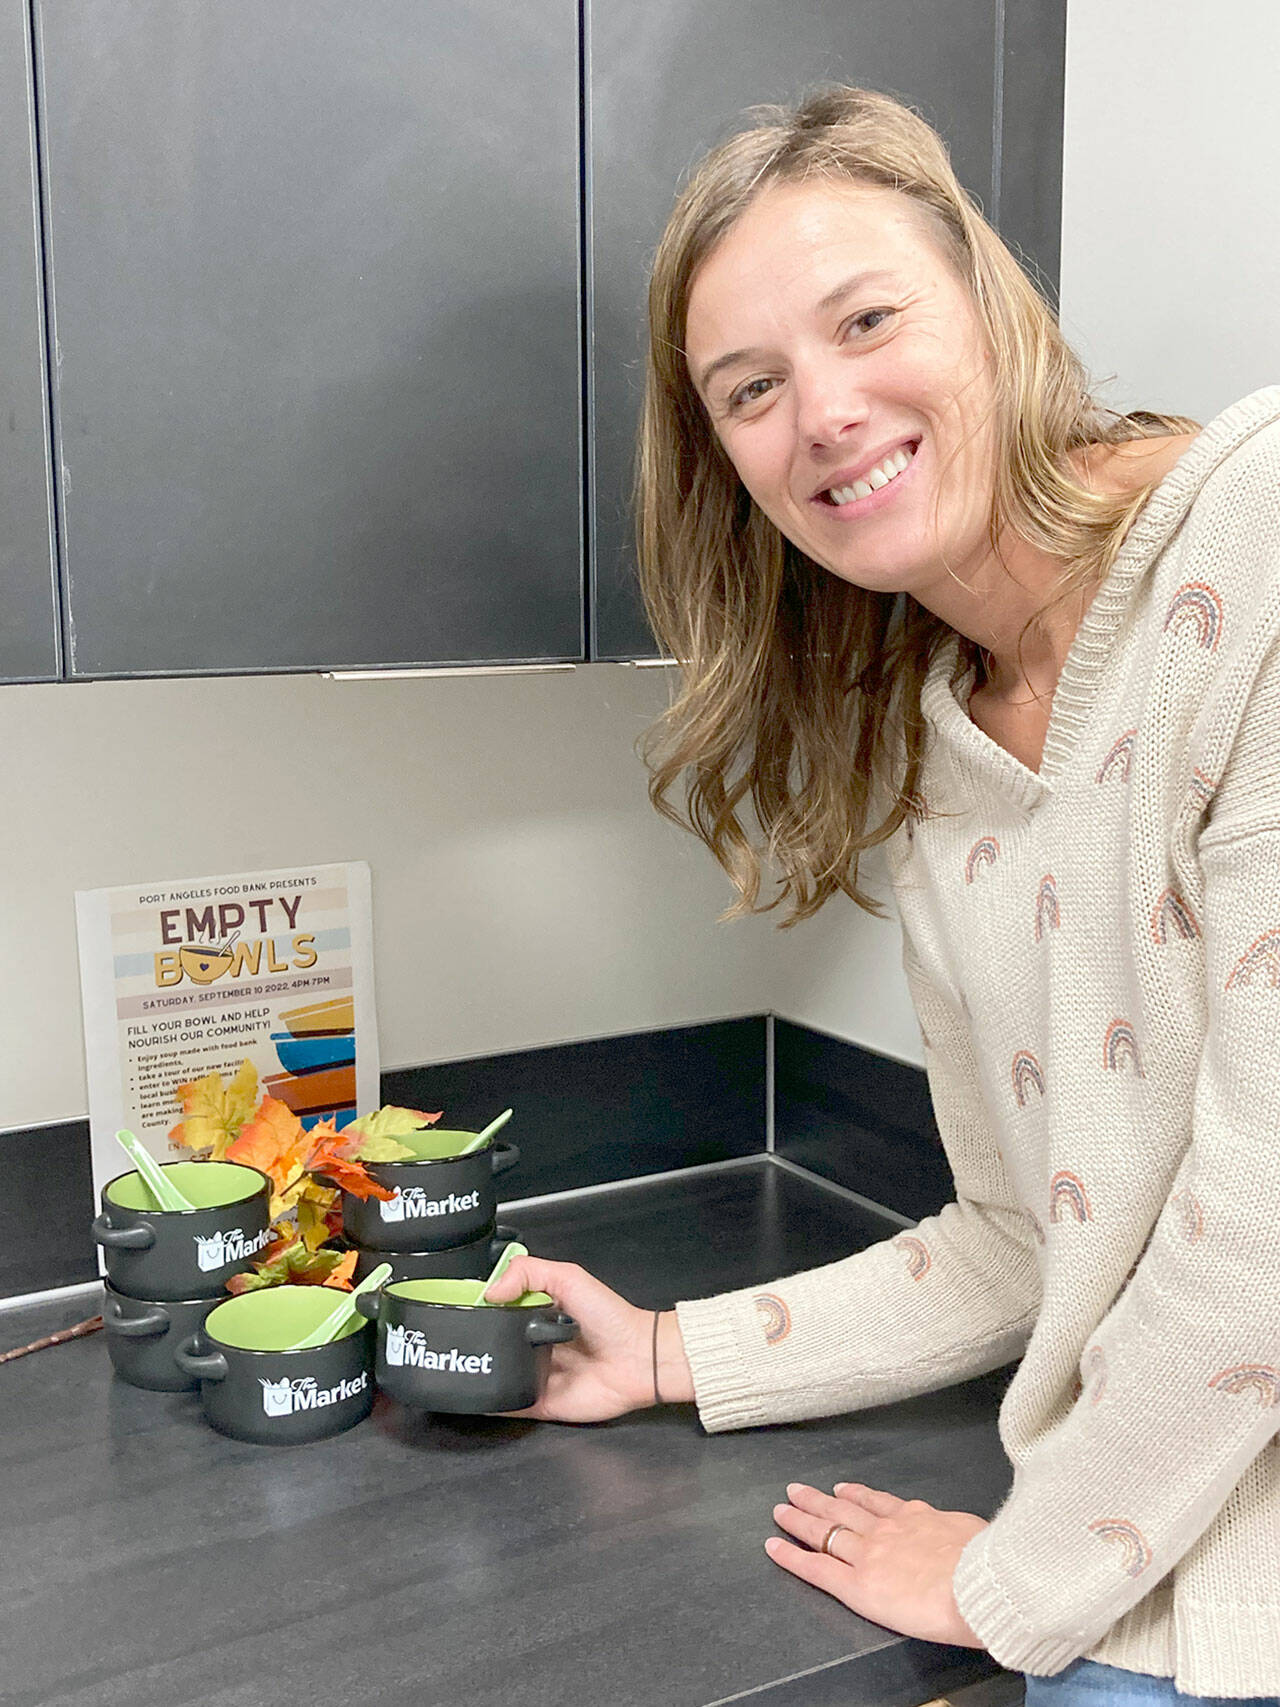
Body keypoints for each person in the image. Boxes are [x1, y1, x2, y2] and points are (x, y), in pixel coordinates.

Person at [486, 86, 1280, 1704]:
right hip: (1155, 1534)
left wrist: (1015, 1577)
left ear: (985, 305)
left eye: (867, 320)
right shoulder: (940, 754)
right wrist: (661, 1352)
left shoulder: (1253, 551)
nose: (826, 411)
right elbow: (1016, 1237)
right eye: (753, 389)